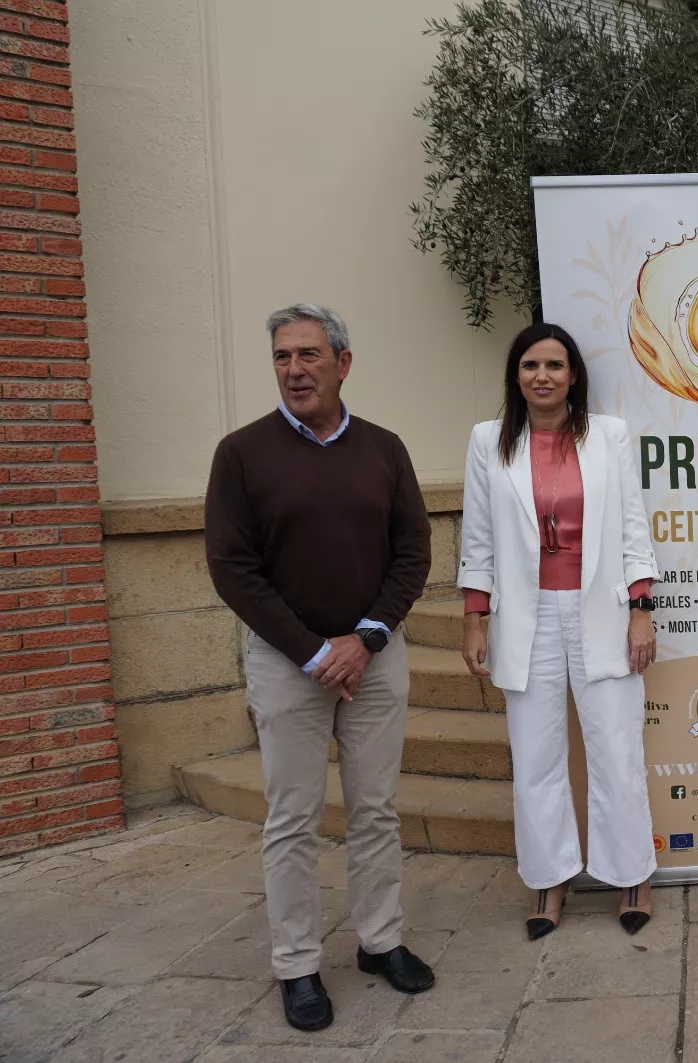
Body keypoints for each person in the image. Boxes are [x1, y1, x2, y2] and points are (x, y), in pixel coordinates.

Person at [205, 303, 435, 1032]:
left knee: (374, 809)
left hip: (372, 656)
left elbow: (413, 551)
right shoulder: (240, 454)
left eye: (308, 354)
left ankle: (381, 940)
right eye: (282, 357)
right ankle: (298, 964)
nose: (295, 369)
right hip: (287, 663)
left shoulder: (385, 448)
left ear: (343, 361)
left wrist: (363, 639)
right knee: (293, 818)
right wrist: (312, 649)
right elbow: (233, 568)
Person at [457, 322, 660, 939]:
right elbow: (478, 538)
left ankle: (631, 873)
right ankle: (549, 878)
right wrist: (475, 618)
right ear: (515, 377)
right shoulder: (488, 441)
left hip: (598, 610)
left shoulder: (609, 436)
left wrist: (640, 607)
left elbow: (631, 527)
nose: (541, 377)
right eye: (529, 366)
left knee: (616, 751)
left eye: (554, 365)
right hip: (528, 617)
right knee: (536, 758)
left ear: (573, 375)